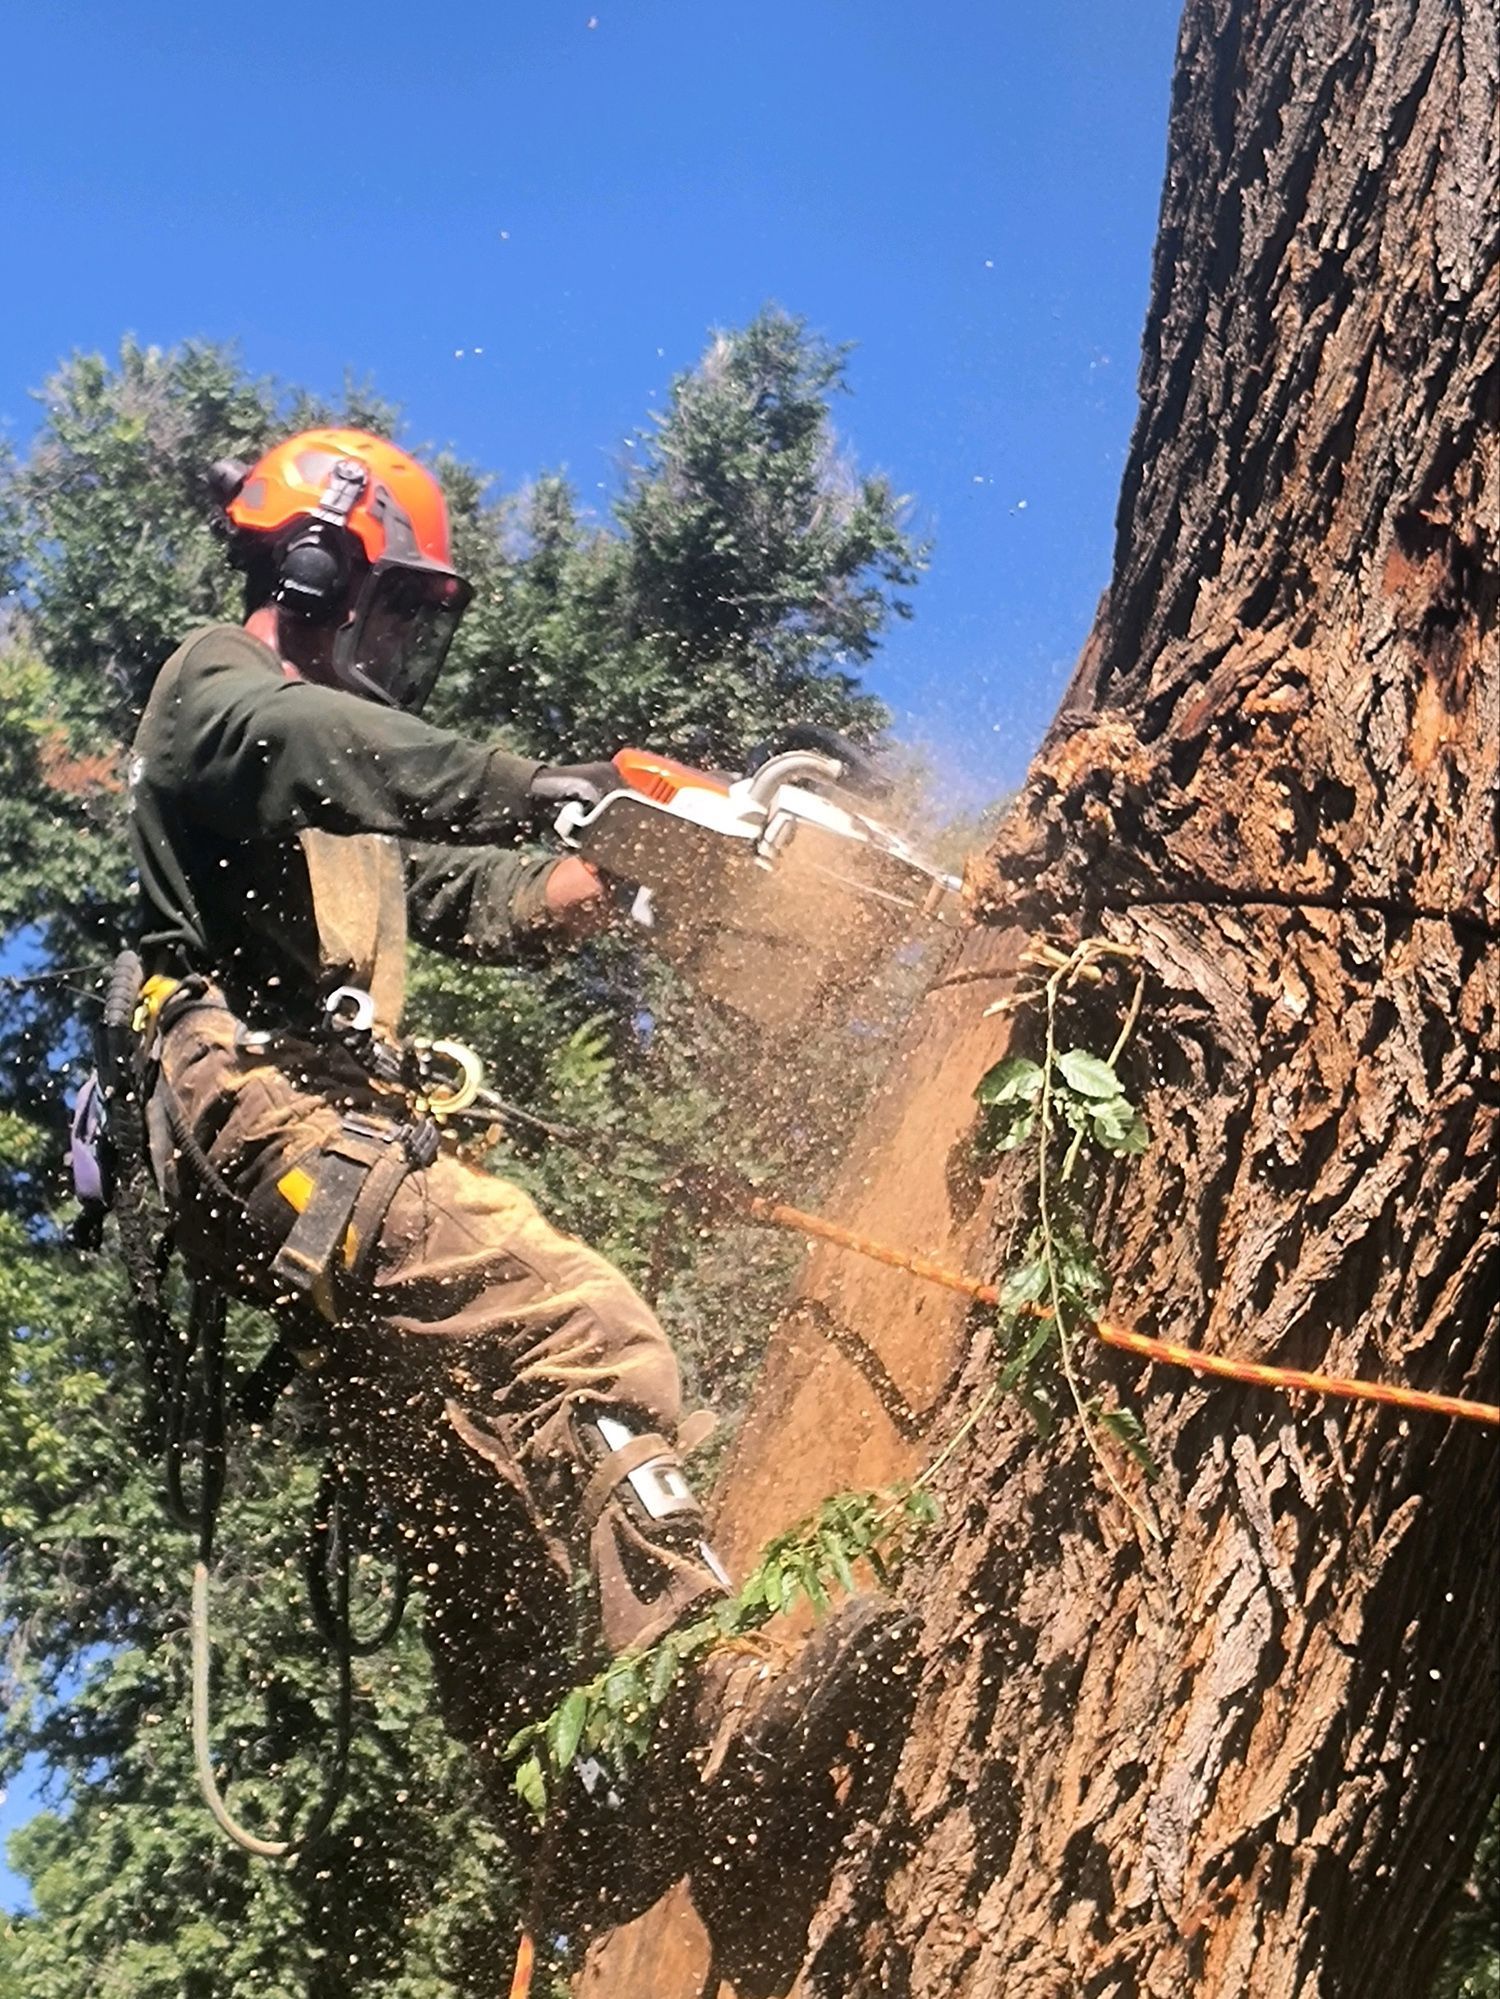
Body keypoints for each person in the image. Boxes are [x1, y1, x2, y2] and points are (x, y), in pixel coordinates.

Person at [124, 427, 909, 1945]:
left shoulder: (324, 772)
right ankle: (718, 1700)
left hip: (310, 1158)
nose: (416, 642)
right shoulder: (220, 696)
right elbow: (335, 755)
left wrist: (604, 875)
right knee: (587, 1334)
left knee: (477, 1515)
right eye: (406, 606)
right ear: (318, 566)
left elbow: (449, 889)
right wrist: (551, 790)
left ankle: (586, 1851)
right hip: (268, 1118)